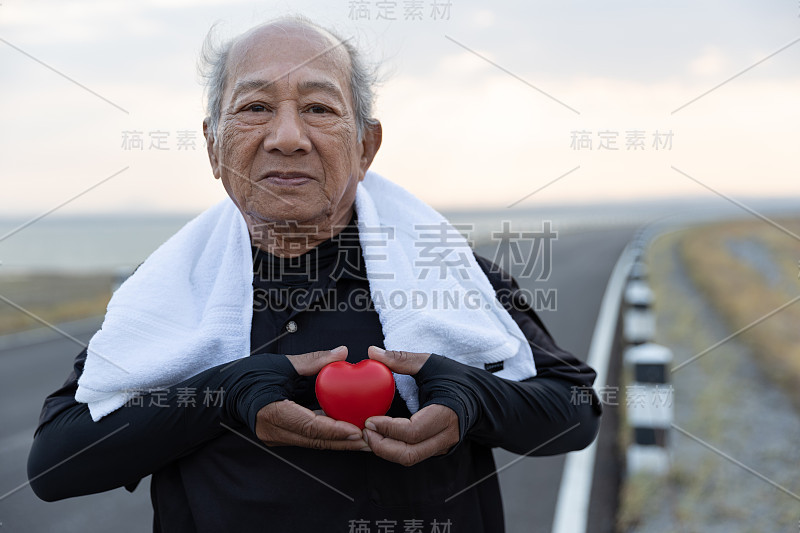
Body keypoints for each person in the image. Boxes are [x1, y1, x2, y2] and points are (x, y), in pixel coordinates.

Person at [27, 16, 602, 533]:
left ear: (365, 146)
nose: (287, 137)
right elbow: (55, 462)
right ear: (212, 146)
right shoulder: (169, 294)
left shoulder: (448, 273)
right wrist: (226, 397)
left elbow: (574, 409)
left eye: (319, 109)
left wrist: (473, 395)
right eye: (254, 107)